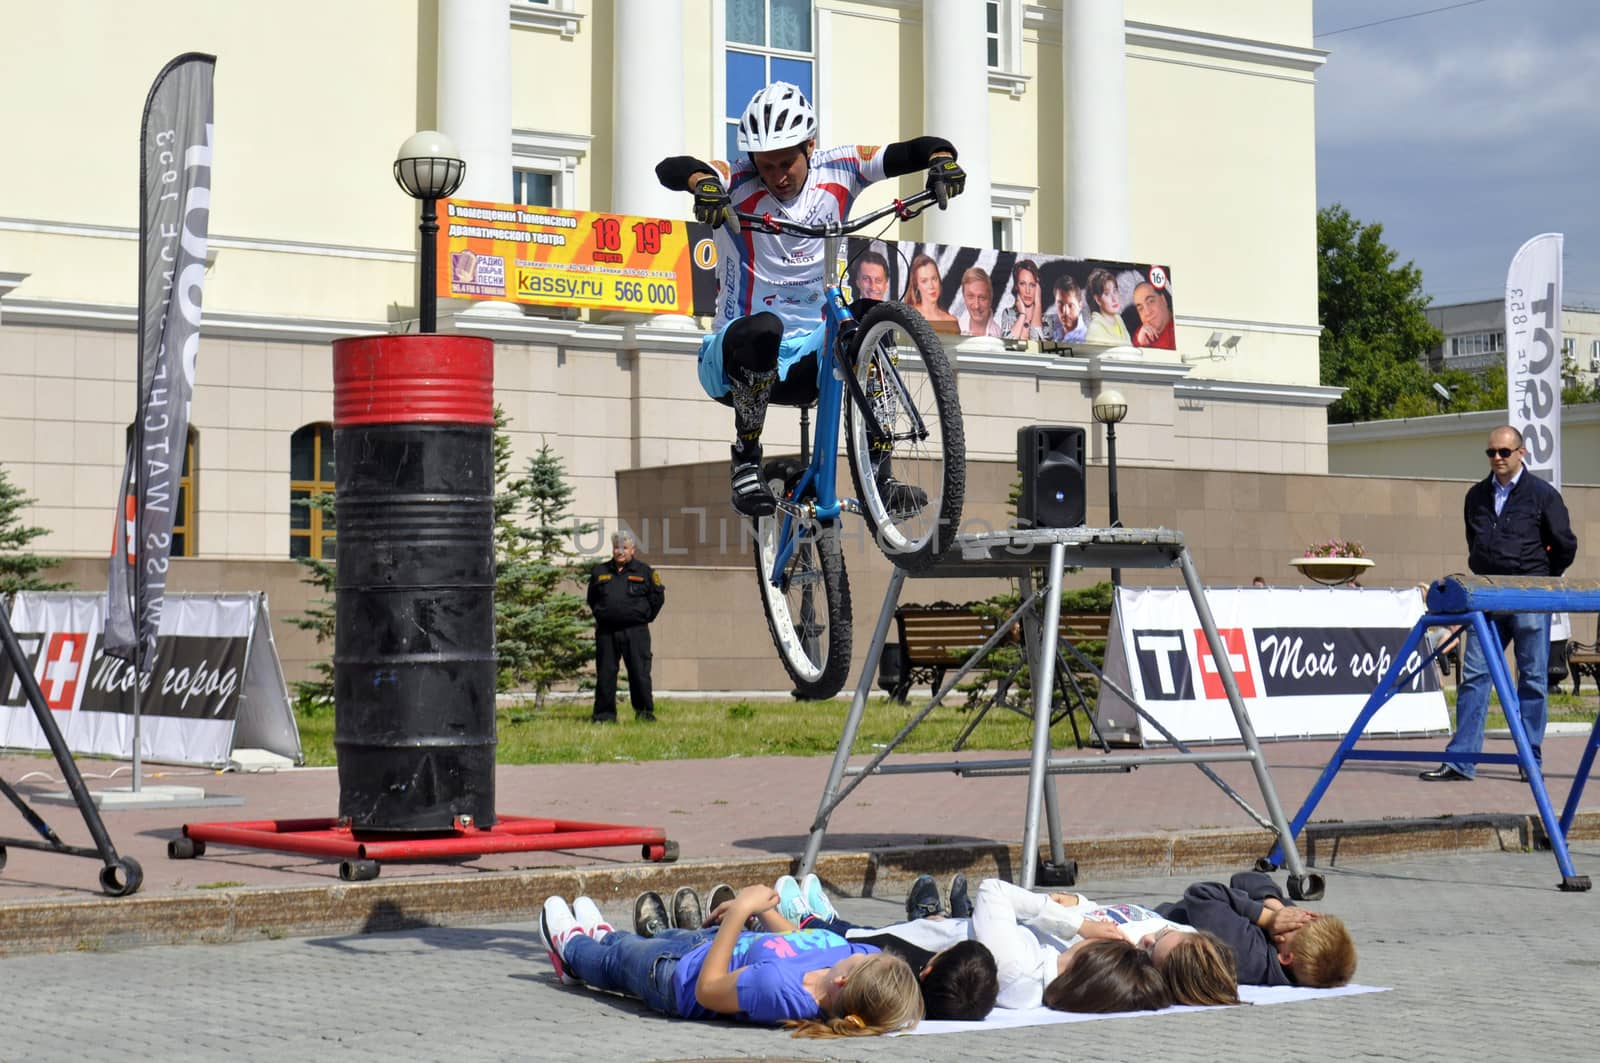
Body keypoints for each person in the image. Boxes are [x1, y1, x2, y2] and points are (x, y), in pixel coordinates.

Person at [655, 82, 965, 518]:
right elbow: (673, 167)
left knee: (869, 316)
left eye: (787, 163)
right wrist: (702, 184)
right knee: (765, 327)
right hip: (735, 361)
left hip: (814, 360)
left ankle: (881, 476)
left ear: (810, 147)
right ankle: (746, 460)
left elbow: (915, 149)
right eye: (768, 166)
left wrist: (941, 161)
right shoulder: (737, 177)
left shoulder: (840, 167)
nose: (779, 176)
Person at [540, 887, 924, 1037]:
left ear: (844, 983)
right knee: (623, 944)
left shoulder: (778, 991)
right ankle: (604, 934)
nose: (863, 952)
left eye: (863, 959)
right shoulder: (858, 960)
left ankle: (571, 951)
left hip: (677, 976)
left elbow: (709, 990)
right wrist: (765, 912)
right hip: (708, 942)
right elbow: (801, 941)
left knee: (613, 963)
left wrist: (741, 912)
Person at [1420, 425, 1578, 782]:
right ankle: (1462, 760)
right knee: (1475, 675)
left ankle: (1529, 760)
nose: (1497, 459)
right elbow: (1473, 541)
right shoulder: (1475, 496)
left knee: (1533, 679)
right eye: (1491, 453)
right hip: (1487, 599)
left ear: (1521, 453)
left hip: (1528, 597)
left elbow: (1565, 544)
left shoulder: (1542, 495)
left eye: (1504, 452)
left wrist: (1540, 579)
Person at [769, 873, 999, 1021]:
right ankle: (827, 920)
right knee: (868, 933)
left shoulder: (892, 967)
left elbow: (857, 942)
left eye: (943, 951)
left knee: (859, 937)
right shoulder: (945, 1003)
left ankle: (807, 920)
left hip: (842, 943)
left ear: (927, 971)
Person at [1156, 871, 1357, 988]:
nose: (1297, 917)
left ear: (1286, 957)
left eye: (1299, 923)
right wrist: (1277, 907)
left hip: (1152, 927)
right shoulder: (1286, 935)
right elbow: (1246, 878)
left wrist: (1267, 917)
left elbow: (1199, 894)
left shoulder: (1248, 952)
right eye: (1309, 916)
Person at [586, 530, 664, 723]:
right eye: (616, 548)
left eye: (624, 548)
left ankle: (644, 714)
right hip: (607, 632)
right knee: (605, 674)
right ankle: (604, 716)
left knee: (639, 673)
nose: (620, 552)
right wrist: (603, 614)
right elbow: (592, 599)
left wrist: (644, 617)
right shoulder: (600, 571)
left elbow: (657, 598)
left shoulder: (645, 571)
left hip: (635, 632)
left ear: (632, 550)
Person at [903, 252, 959, 326]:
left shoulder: (951, 321)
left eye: (934, 279)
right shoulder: (908, 316)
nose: (931, 286)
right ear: (917, 285)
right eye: (924, 281)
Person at [998, 259, 1045, 342]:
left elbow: (1037, 344)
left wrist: (1038, 304)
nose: (1027, 291)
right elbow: (1007, 344)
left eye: (1032, 285)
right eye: (1022, 284)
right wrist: (1022, 315)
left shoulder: (1046, 319)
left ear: (1037, 288)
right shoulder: (1008, 314)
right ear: (1016, 286)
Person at [1084, 267, 1131, 346]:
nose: (1114, 298)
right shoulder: (1095, 330)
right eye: (1107, 294)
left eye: (1115, 290)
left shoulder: (1119, 320)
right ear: (1098, 300)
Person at [956, 266, 1002, 338]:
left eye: (982, 298)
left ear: (990, 299)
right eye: (970, 297)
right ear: (964, 298)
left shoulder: (1000, 336)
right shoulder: (955, 328)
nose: (976, 306)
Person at [1130, 280, 1175, 349]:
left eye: (1151, 301)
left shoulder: (1178, 331)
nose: (1147, 312)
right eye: (1140, 308)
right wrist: (1140, 344)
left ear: (1163, 300)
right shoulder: (1141, 334)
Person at [1043, 273, 1087, 343]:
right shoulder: (1053, 333)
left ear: (1080, 306)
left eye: (1070, 305)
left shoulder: (1087, 338)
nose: (1065, 311)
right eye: (1060, 304)